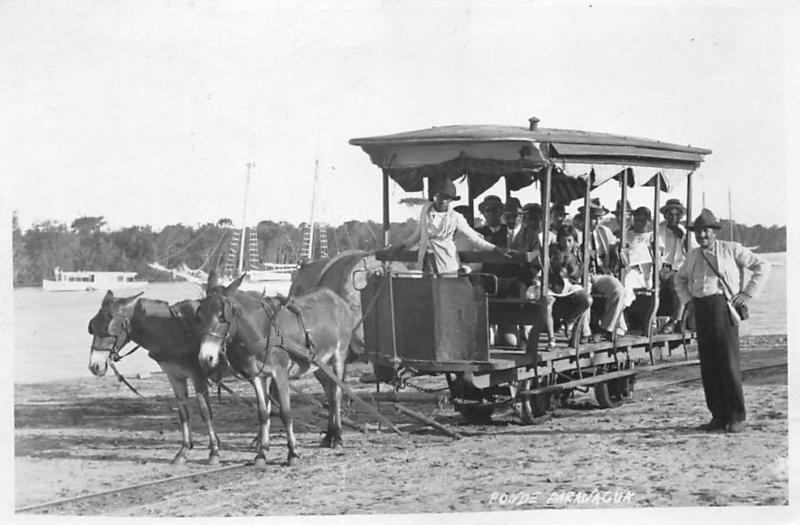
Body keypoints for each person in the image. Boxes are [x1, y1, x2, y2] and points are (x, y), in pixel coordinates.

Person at [674, 209, 770, 433]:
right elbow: (680, 279)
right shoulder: (693, 255)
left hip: (723, 308)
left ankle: (735, 417)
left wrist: (747, 294)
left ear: (714, 232)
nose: (702, 236)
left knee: (728, 363)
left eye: (706, 231)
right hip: (702, 309)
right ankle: (718, 416)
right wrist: (688, 302)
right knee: (709, 365)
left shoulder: (731, 249)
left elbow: (762, 266)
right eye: (698, 232)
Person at [380, 179, 511, 273]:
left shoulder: (456, 217)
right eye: (441, 196)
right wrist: (397, 249)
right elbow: (416, 236)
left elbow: (475, 239)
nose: (443, 200)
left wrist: (496, 249)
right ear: (435, 195)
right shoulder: (425, 210)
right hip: (426, 262)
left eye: (447, 198)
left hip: (447, 264)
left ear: (451, 200)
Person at [575, 198, 627, 341]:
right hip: (582, 274)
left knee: (618, 289)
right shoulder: (576, 234)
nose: (596, 222)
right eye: (593, 219)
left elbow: (615, 247)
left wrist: (618, 250)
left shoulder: (604, 232)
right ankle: (584, 331)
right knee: (584, 293)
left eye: (598, 218)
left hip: (600, 274)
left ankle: (606, 329)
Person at [546, 225, 592, 347]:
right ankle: (551, 339)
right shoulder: (553, 251)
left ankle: (570, 321)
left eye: (569, 240)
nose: (566, 243)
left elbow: (577, 275)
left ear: (574, 241)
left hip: (570, 285)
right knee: (548, 303)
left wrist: (576, 265)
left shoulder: (578, 254)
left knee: (587, 300)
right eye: (563, 240)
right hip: (554, 285)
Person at [657, 198, 688, 331]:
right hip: (659, 269)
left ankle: (676, 321)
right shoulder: (658, 229)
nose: (673, 218)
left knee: (677, 282)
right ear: (665, 215)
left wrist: (683, 238)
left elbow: (693, 252)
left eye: (677, 215)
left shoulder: (685, 232)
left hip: (676, 270)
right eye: (670, 214)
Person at [620, 206, 661, 303]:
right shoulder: (627, 235)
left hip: (643, 273)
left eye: (642, 220)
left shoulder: (652, 237)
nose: (639, 223)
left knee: (626, 281)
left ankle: (624, 305)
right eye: (637, 219)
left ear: (649, 221)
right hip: (625, 268)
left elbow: (658, 262)